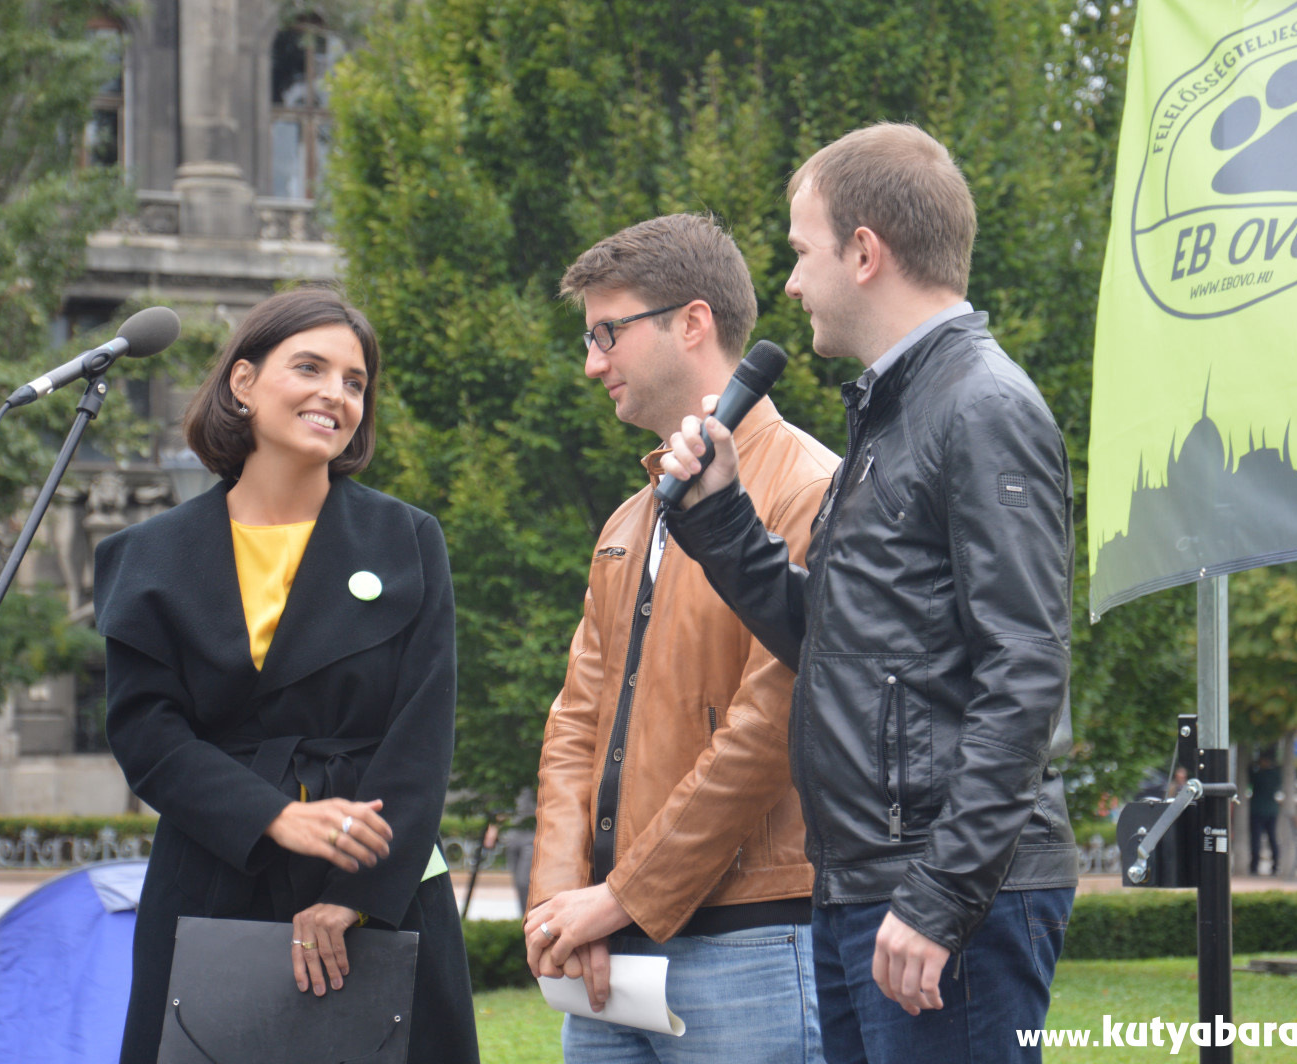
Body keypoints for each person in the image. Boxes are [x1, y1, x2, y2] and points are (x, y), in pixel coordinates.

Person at [659, 123, 1078, 1063]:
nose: (793, 283)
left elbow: (1027, 668)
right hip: (874, 883)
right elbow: (834, 641)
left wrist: (939, 896)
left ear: (864, 251)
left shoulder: (981, 408)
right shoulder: (898, 414)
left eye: (803, 252)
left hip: (939, 893)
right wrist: (723, 517)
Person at [94, 287, 479, 1064]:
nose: (335, 395)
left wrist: (357, 897)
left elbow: (422, 732)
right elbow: (148, 734)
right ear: (243, 382)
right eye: (310, 367)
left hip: (380, 879)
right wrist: (273, 815)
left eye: (354, 381)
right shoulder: (149, 557)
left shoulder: (406, 539)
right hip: (215, 874)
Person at [524, 213, 838, 1063]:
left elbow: (770, 731)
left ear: (692, 322)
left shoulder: (809, 489)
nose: (592, 363)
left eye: (606, 334)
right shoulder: (631, 518)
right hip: (602, 951)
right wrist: (563, 903)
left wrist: (621, 896)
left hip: (750, 946)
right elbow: (575, 723)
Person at [1247, 751, 1281, 875]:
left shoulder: (1258, 775)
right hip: (1271, 810)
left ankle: (1254, 866)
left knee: (1256, 840)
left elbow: (1250, 775)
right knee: (1272, 839)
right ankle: (1275, 865)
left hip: (1258, 810)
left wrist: (1253, 764)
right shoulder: (1275, 775)